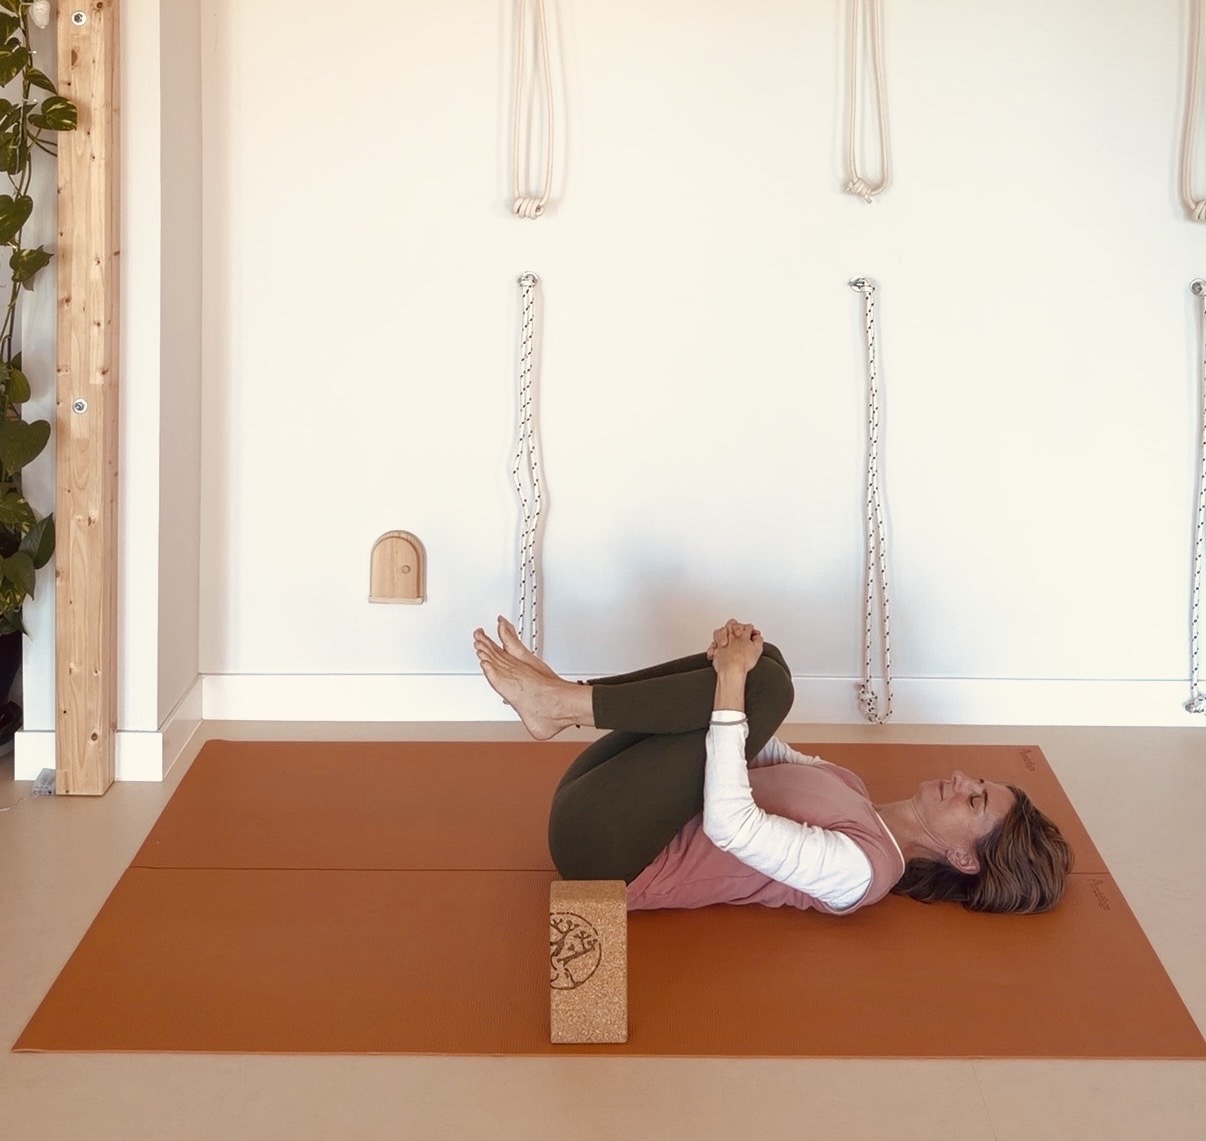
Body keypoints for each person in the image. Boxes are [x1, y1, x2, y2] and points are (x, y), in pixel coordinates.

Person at [472, 616, 1072, 916]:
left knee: (759, 686)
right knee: (769, 668)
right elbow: (755, 742)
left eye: (974, 800)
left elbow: (732, 825)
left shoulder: (865, 872)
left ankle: (561, 703)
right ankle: (563, 696)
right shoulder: (851, 787)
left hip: (611, 858)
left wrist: (734, 680)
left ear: (965, 858)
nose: (962, 781)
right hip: (603, 801)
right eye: (978, 783)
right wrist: (728, 663)